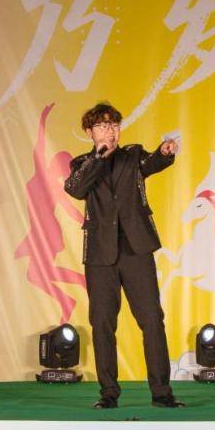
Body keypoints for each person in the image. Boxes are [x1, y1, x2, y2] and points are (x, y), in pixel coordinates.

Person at [64, 102, 184, 409]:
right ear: (89, 132)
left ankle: (162, 392)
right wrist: (99, 156)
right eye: (103, 126)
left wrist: (165, 152)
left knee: (152, 320)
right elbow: (75, 189)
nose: (110, 131)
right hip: (100, 255)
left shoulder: (133, 154)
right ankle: (108, 393)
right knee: (103, 324)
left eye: (115, 125)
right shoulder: (82, 163)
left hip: (136, 249)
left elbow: (152, 162)